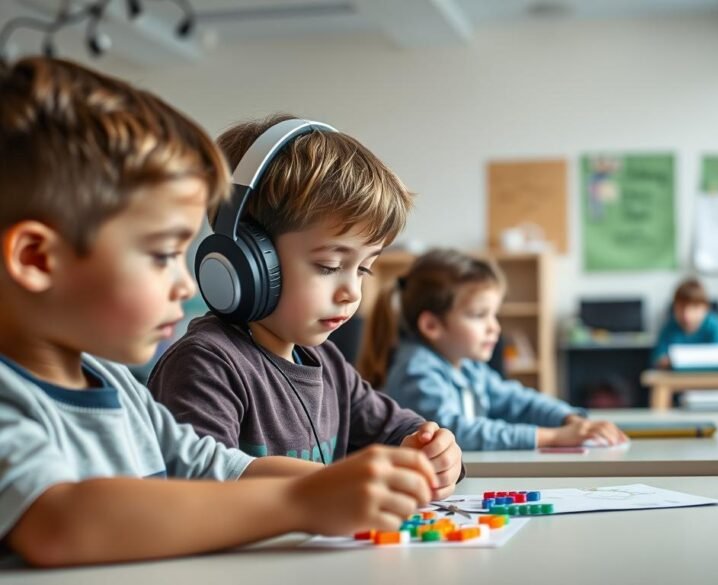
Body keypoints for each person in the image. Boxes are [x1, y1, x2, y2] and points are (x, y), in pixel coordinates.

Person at [0, 58, 436, 566]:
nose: (187, 283)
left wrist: (357, 487)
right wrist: (302, 502)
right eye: (163, 255)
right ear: (37, 259)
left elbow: (221, 468)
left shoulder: (116, 388)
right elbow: (59, 522)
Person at [148, 114, 461, 498]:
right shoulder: (206, 364)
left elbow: (397, 429)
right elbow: (198, 484)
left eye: (364, 269)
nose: (352, 292)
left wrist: (433, 450)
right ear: (248, 262)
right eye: (329, 266)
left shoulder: (326, 363)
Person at [359, 248, 628, 450]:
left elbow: (515, 400)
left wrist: (569, 419)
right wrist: (554, 437)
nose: (494, 328)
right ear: (431, 325)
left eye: (494, 315)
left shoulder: (467, 365)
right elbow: (454, 432)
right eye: (479, 315)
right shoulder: (415, 369)